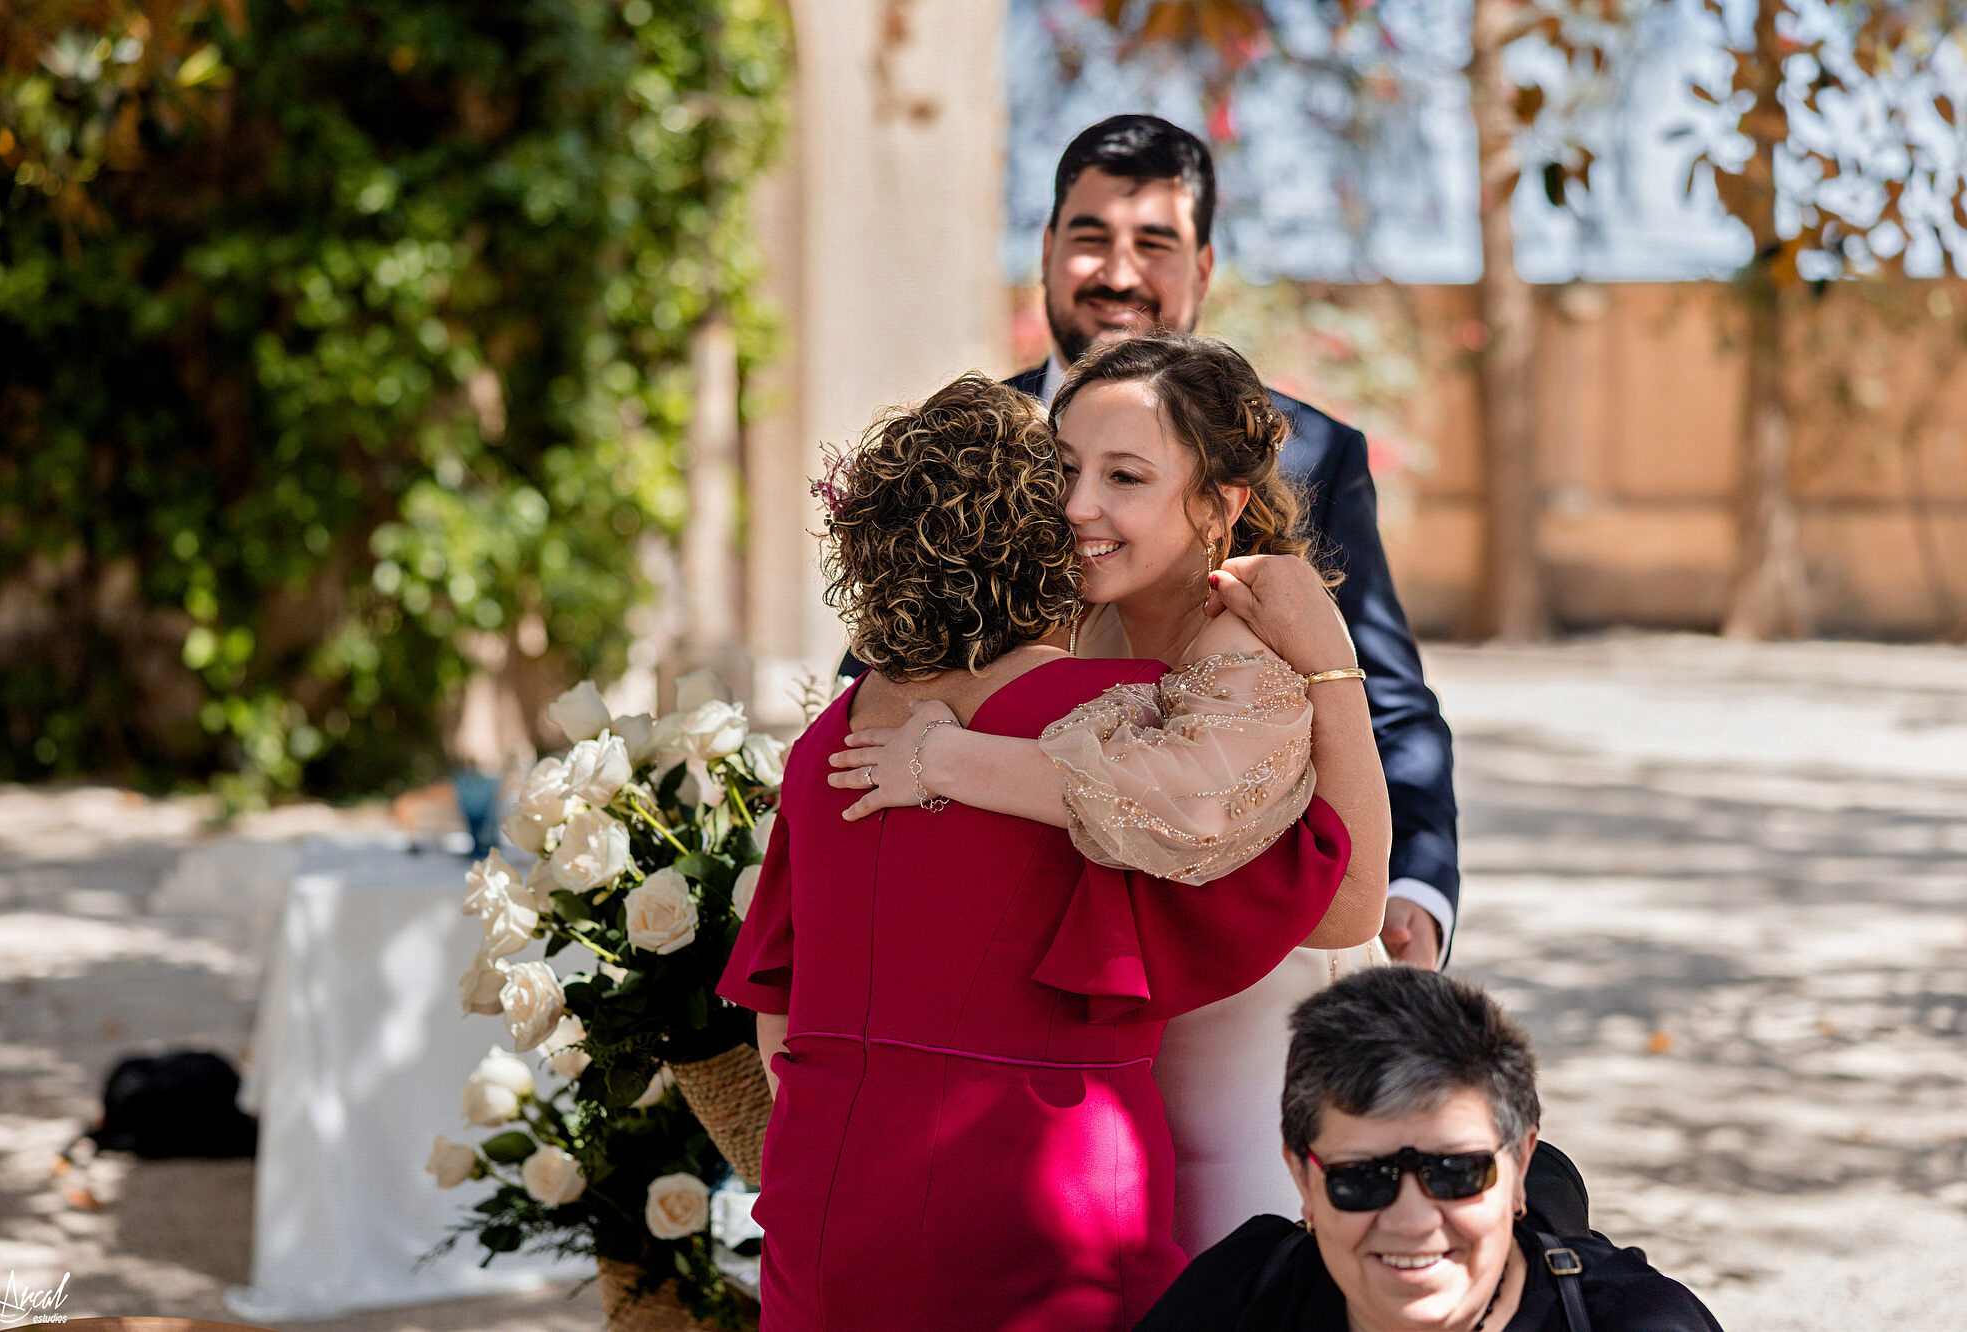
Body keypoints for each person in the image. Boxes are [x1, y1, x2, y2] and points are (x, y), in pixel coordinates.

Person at [720, 373, 1387, 1332]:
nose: (1081, 507)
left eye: (1121, 476)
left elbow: (779, 1028)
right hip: (1051, 1187)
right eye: (1064, 474)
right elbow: (1323, 880)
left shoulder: (837, 734)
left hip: (833, 1196)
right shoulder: (1124, 714)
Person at [1012, 112, 1458, 971]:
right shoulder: (968, 440)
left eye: (1155, 242)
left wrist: (1418, 890)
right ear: (1045, 248)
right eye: (1090, 236)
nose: (1118, 271)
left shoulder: (1317, 451)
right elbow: (896, 650)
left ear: (1203, 266)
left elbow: (1383, 698)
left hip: (1243, 932)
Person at [1134, 967, 1725, 1331]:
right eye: (1362, 1177)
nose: (1412, 1220)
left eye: (1456, 1172)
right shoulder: (1239, 1301)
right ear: (1302, 1180)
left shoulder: (1636, 1321)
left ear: (1521, 1166)